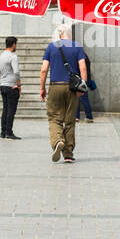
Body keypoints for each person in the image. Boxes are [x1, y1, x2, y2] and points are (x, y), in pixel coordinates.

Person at [40, 22, 88, 164]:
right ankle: (68, 153)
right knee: (70, 120)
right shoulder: (77, 46)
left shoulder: (51, 47)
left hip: (55, 86)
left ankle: (58, 141)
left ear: (59, 34)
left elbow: (43, 70)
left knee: (54, 118)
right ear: (69, 34)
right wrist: (82, 87)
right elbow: (83, 68)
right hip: (72, 88)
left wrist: (42, 88)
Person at [0, 36, 22, 140]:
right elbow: (16, 71)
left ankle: (3, 132)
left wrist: (3, 78)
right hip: (12, 86)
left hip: (3, 85)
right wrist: (19, 84)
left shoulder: (1, 56)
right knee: (11, 110)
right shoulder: (13, 57)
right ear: (14, 44)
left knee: (5, 109)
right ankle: (9, 132)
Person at [78, 49, 96, 123]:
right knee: (78, 99)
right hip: (85, 80)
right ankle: (76, 116)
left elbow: (82, 69)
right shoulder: (86, 57)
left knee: (84, 99)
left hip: (82, 81)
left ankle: (89, 116)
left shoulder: (82, 58)